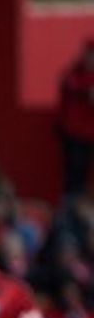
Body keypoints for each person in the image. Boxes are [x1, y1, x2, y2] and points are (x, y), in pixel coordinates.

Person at [59, 39, 94, 199]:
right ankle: (72, 212)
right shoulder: (74, 74)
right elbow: (69, 85)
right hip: (76, 135)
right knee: (75, 177)